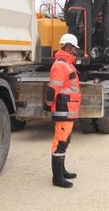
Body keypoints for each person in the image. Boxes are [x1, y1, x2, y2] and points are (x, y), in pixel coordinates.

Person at [45, 33, 81, 188]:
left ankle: (62, 171)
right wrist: (48, 104)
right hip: (63, 109)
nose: (76, 51)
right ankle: (57, 178)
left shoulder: (67, 64)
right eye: (74, 48)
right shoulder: (61, 65)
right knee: (60, 142)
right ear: (68, 47)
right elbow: (53, 89)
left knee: (65, 141)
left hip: (68, 109)